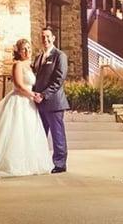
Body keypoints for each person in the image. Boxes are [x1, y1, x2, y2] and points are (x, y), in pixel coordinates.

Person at [0, 39, 54, 178]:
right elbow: (19, 85)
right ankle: (4, 165)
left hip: (29, 103)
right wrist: (33, 95)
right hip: (19, 101)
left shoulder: (30, 65)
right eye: (24, 49)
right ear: (18, 51)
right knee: (14, 132)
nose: (27, 51)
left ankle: (28, 163)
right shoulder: (17, 65)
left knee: (28, 133)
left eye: (29, 48)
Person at [33, 27, 69, 173]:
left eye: (48, 37)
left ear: (53, 38)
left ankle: (60, 164)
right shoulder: (38, 57)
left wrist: (43, 94)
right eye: (43, 37)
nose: (45, 39)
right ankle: (41, 162)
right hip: (39, 103)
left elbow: (59, 79)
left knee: (57, 135)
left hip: (54, 103)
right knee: (40, 136)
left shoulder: (60, 56)